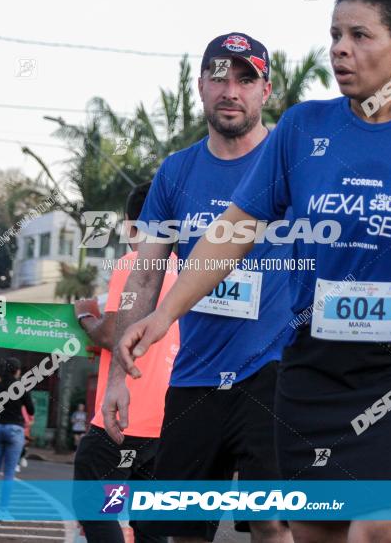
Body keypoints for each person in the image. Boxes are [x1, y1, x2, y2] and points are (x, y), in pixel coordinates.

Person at [111, 0, 391, 543]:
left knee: (381, 532)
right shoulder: (303, 129)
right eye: (334, 35)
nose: (339, 49)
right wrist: (164, 314)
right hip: (313, 375)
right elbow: (234, 230)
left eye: (358, 35)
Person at [103, 32, 295, 543]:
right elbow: (143, 276)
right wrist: (118, 380)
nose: (230, 89)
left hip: (274, 370)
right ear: (200, 88)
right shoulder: (176, 173)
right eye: (218, 77)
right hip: (195, 377)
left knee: (271, 522)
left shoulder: (292, 163)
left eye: (245, 79)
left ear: (266, 91)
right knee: (180, 527)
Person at [73, 181, 179, 543]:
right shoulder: (191, 272)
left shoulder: (135, 263)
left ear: (132, 227)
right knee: (148, 525)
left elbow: (112, 335)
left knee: (96, 508)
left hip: (121, 421)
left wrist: (85, 316)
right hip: (166, 427)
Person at [0, 357, 34, 514]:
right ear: (17, 371)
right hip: (14, 429)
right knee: (9, 472)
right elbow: (31, 409)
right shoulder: (20, 387)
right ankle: (3, 509)